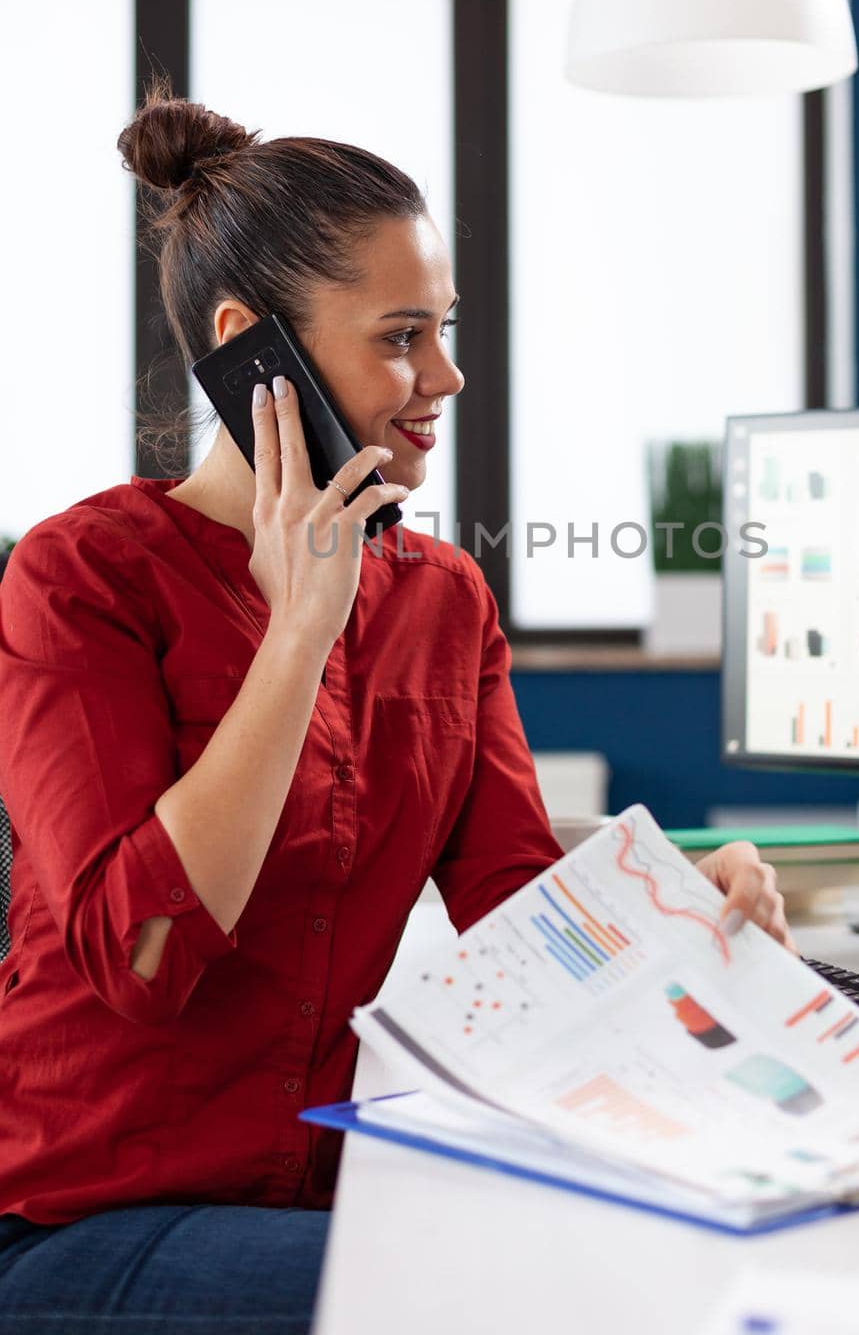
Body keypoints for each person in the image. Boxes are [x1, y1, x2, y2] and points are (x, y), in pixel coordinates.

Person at [0, 84, 794, 1332]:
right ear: (247, 342)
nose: (447, 374)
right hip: (79, 1220)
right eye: (400, 336)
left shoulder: (443, 599)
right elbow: (141, 957)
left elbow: (518, 914)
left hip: (324, 1201)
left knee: (666, 1270)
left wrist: (694, 896)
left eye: (447, 329)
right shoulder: (83, 574)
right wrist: (298, 632)